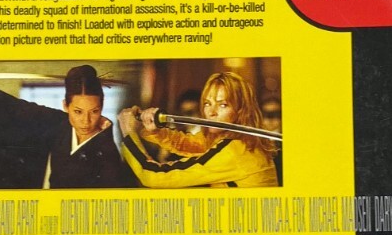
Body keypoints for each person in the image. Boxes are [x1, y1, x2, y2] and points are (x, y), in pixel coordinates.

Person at [117, 71, 279, 188]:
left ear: (241, 110)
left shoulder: (236, 151)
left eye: (223, 105)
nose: (211, 112)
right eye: (208, 103)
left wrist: (128, 133)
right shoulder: (231, 140)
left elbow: (154, 176)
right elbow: (190, 144)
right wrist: (151, 130)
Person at [45, 66, 136, 188]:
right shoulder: (61, 127)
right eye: (78, 112)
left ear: (102, 107)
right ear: (65, 106)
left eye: (94, 111)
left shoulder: (107, 154)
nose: (86, 121)